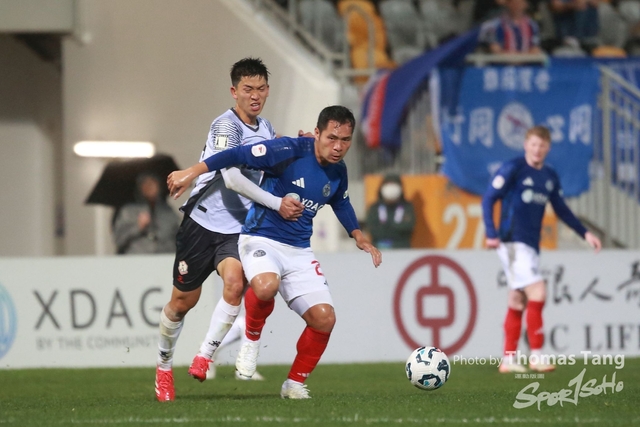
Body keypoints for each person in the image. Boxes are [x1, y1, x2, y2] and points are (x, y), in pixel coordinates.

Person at [168, 105, 383, 399]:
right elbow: (234, 155)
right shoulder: (287, 150)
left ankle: (293, 383)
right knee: (266, 285)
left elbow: (341, 201)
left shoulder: (338, 169)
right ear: (317, 133)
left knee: (325, 319)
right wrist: (192, 171)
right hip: (260, 238)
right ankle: (251, 341)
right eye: (332, 138)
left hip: (299, 249)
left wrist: (357, 234)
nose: (338, 147)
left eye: (345, 140)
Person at [154, 57, 304, 402]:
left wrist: (300, 147)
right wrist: (275, 203)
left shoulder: (265, 128)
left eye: (261, 89)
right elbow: (232, 178)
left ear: (268, 91)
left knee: (235, 284)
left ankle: (204, 355)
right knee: (182, 303)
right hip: (202, 224)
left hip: (238, 230)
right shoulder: (225, 126)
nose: (255, 95)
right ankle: (163, 367)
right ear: (234, 92)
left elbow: (273, 156)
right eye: (248, 89)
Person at [481, 125, 601, 373]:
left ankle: (509, 360)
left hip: (531, 245)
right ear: (526, 144)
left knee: (517, 299)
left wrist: (585, 233)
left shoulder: (548, 176)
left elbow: (561, 209)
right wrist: (491, 233)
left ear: (548, 148)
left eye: (542, 145)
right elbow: (489, 197)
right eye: (533, 144)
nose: (537, 149)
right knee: (538, 291)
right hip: (512, 240)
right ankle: (536, 356)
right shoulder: (513, 168)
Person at [112, 172, 180, 254]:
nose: (150, 187)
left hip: (164, 256)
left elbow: (179, 236)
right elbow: (119, 240)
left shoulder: (168, 211)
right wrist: (138, 226)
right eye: (146, 184)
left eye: (152, 184)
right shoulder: (128, 212)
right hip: (137, 257)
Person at [365, 174, 416, 249]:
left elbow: (408, 228)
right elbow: (372, 230)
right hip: (378, 248)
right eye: (388, 184)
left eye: (394, 185)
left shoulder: (407, 207)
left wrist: (387, 227)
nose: (391, 189)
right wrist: (396, 228)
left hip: (401, 248)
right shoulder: (374, 207)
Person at [478, 0, 542, 54]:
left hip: (527, 63)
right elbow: (495, 49)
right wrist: (513, 58)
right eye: (513, 2)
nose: (517, 4)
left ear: (526, 4)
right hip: (502, 63)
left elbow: (535, 49)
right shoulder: (494, 25)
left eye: (520, 2)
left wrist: (521, 58)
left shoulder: (532, 25)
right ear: (507, 4)